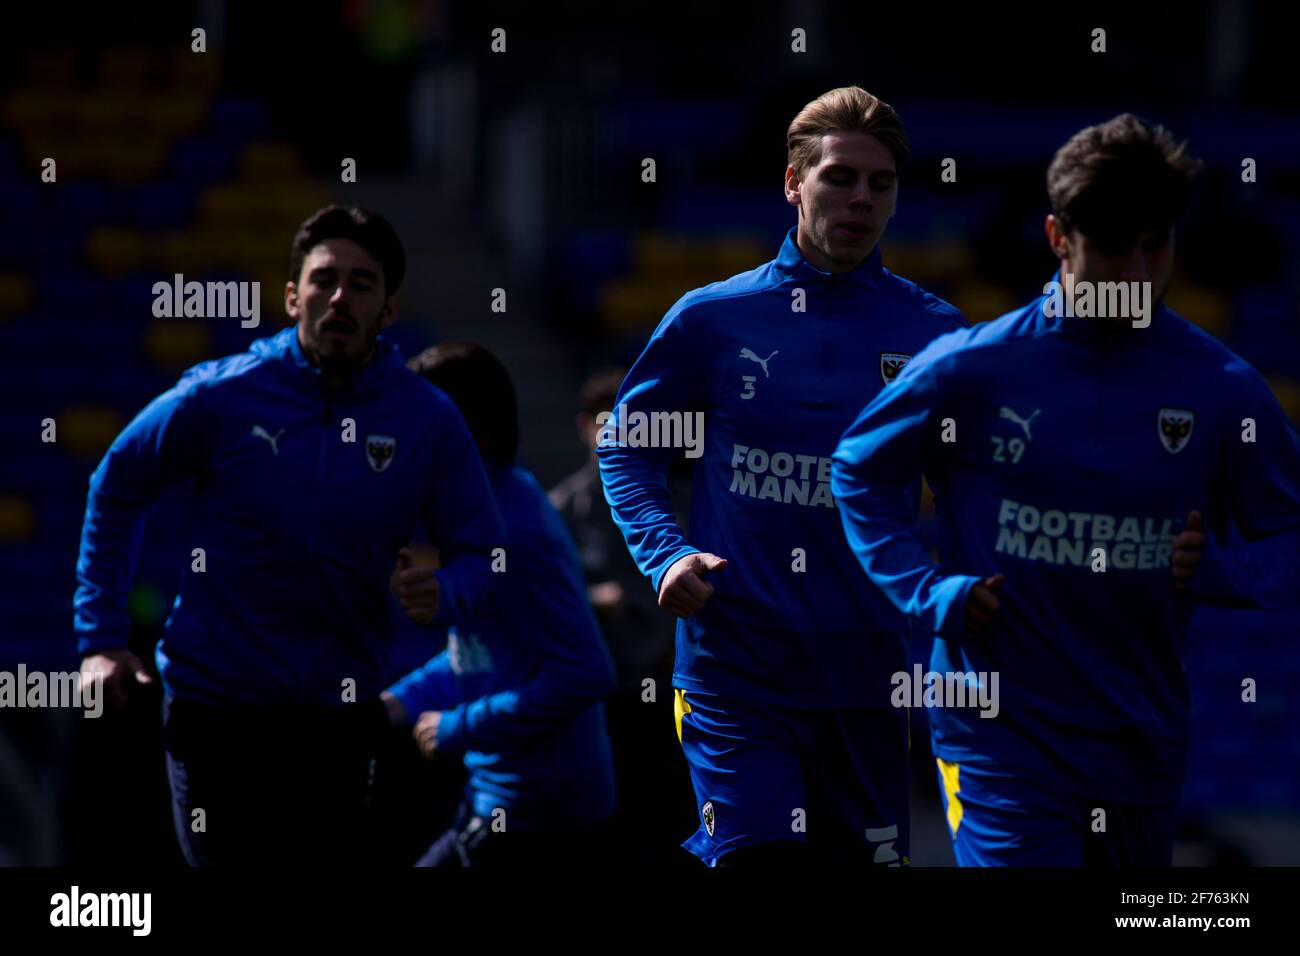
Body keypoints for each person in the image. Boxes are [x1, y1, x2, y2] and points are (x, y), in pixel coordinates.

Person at [831, 114, 1300, 865]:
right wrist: (925, 589)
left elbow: (1288, 531)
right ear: (1058, 238)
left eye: (1158, 245)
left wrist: (1228, 572)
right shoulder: (972, 369)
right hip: (996, 734)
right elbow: (857, 468)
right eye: (1117, 250)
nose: (1141, 272)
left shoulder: (1223, 391)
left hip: (1138, 740)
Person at [598, 86, 967, 867]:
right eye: (839, 177)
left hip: (869, 681)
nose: (860, 199)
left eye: (880, 183)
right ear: (794, 182)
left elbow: (979, 482)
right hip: (736, 673)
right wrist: (665, 552)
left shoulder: (937, 334)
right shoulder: (712, 318)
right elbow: (627, 446)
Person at [74, 206, 505, 865]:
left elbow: (487, 555)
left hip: (334, 724)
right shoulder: (222, 395)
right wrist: (101, 641)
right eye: (324, 278)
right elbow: (115, 484)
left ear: (388, 311)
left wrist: (447, 591)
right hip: (213, 714)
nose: (340, 297)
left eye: (362, 284)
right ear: (291, 295)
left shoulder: (428, 421)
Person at [384, 343, 618, 866]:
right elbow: (485, 653)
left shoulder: (513, 527)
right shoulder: (478, 505)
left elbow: (584, 673)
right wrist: (399, 702)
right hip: (496, 792)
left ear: (473, 435)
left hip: (543, 812)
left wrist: (457, 726)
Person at [550, 367, 696, 864]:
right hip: (603, 699)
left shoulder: (678, 505)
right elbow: (540, 599)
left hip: (674, 694)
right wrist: (594, 600)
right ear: (583, 426)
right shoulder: (560, 510)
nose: (613, 432)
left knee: (681, 823)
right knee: (614, 829)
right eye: (602, 420)